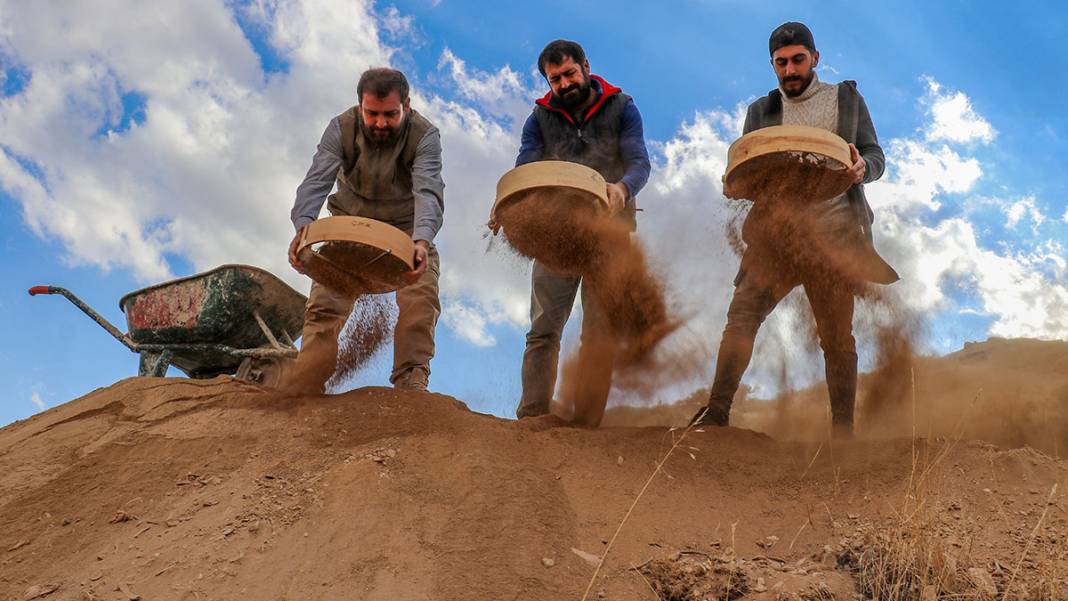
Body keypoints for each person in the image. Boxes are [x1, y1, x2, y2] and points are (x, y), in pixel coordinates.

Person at [691, 22, 898, 437]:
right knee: (742, 316)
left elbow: (875, 154)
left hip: (835, 237)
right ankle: (716, 413)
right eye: (781, 63)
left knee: (837, 337)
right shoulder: (760, 112)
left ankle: (843, 432)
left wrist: (863, 168)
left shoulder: (846, 98)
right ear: (772, 65)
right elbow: (748, 166)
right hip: (777, 236)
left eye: (797, 60)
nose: (790, 71)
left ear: (815, 58)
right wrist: (734, 183)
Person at [503, 39, 651, 423]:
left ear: (585, 66)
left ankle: (587, 423)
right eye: (555, 80)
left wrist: (622, 189)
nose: (564, 84)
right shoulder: (539, 118)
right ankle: (533, 416)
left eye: (569, 73)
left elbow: (639, 162)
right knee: (543, 328)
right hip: (556, 236)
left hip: (610, 233)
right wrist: (510, 204)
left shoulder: (622, 107)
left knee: (600, 333)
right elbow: (526, 169)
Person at [281, 67, 444, 393]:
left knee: (421, 298)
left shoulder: (425, 135)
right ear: (360, 107)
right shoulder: (340, 129)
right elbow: (316, 181)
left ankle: (411, 379)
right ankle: (308, 380)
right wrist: (304, 231)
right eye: (372, 114)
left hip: (405, 238)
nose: (381, 123)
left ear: (406, 107)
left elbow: (428, 192)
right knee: (324, 307)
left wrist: (422, 242)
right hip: (347, 233)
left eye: (390, 114)